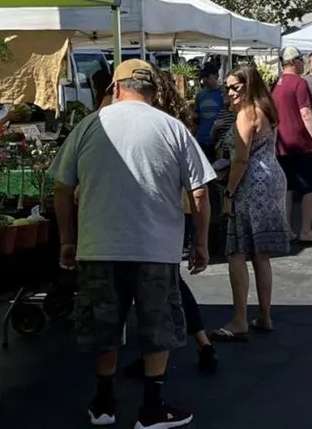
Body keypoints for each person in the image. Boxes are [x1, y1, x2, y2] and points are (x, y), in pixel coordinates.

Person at [50, 59, 215, 429]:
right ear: (154, 90)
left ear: (115, 87)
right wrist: (201, 242)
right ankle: (153, 408)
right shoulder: (172, 128)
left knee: (104, 326)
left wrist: (67, 240)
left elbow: (61, 188)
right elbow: (200, 193)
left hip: (98, 246)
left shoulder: (89, 125)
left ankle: (103, 403)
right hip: (156, 249)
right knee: (158, 327)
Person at [121, 71, 218, 378]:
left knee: (157, 290)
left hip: (162, 208)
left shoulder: (151, 120)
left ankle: (161, 354)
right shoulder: (176, 118)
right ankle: (201, 342)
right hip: (184, 205)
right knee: (171, 282)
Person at [213, 65, 290, 341]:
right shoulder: (266, 109)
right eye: (228, 87)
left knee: (237, 252)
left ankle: (239, 319)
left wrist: (229, 194)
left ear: (249, 85)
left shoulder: (247, 113)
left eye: (236, 86)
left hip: (251, 183)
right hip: (272, 178)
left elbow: (241, 159)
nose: (231, 92)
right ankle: (265, 316)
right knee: (261, 254)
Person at [273, 46, 312, 245]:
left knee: (287, 188)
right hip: (301, 144)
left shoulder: (276, 85)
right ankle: (305, 230)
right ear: (295, 62)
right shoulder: (299, 83)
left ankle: (286, 229)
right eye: (301, 60)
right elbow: (306, 113)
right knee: (311, 186)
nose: (303, 64)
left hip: (281, 144)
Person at [193, 64, 225, 161]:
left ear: (216, 75)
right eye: (203, 77)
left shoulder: (224, 93)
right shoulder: (200, 95)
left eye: (207, 76)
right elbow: (197, 116)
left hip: (218, 142)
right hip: (201, 140)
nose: (204, 80)